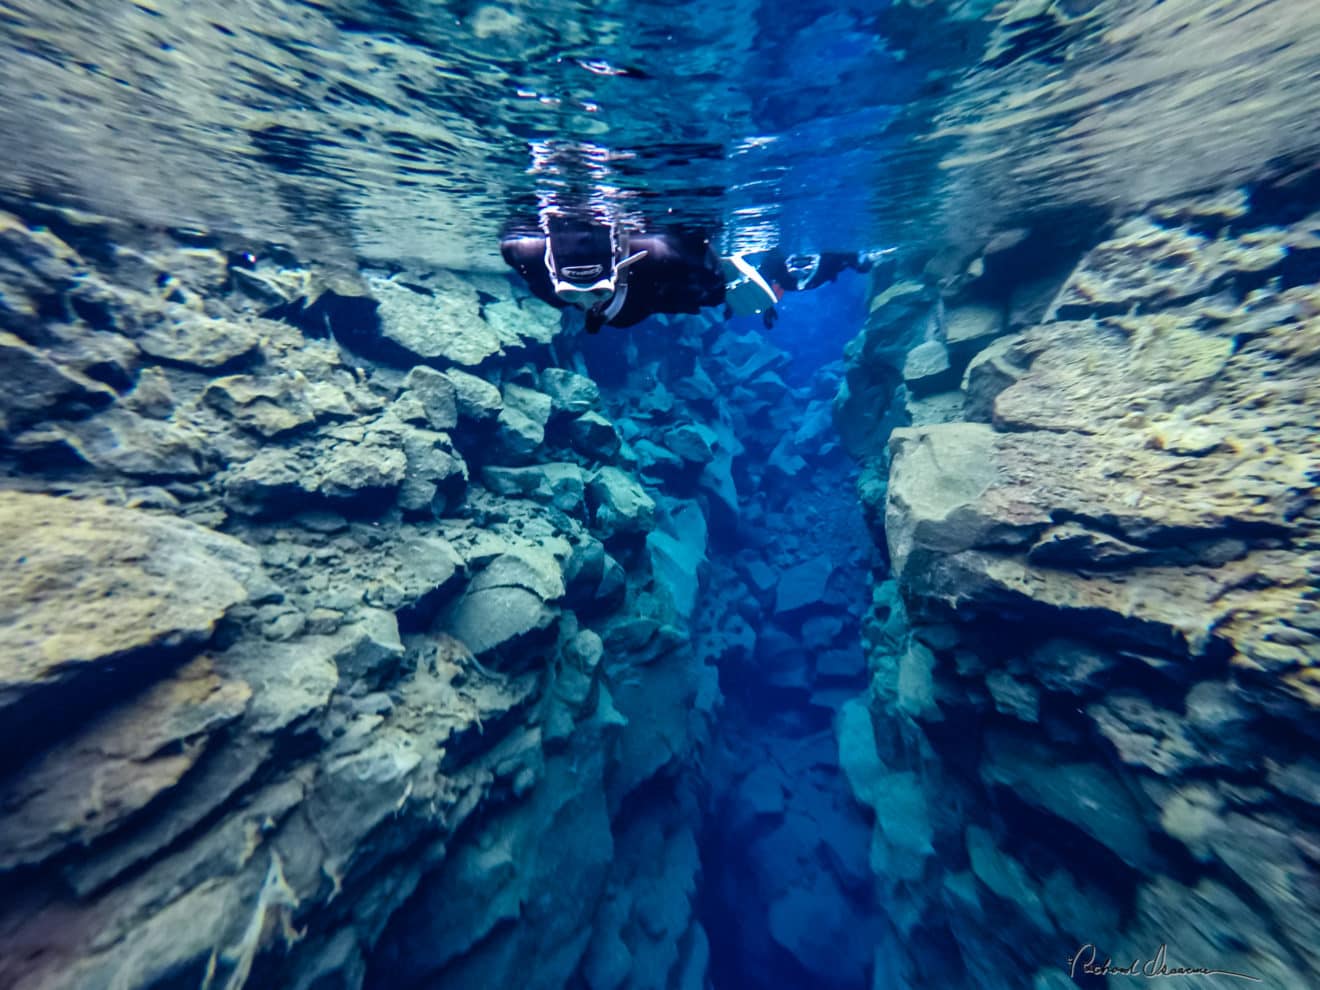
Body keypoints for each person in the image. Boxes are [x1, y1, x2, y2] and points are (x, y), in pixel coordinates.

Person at [500, 216, 878, 333]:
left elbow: (699, 253)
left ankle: (848, 258)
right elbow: (512, 247)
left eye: (595, 290)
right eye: (571, 296)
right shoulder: (531, 263)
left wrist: (721, 276)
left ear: (616, 269)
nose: (585, 303)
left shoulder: (657, 256)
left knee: (723, 286)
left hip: (666, 270)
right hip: (644, 293)